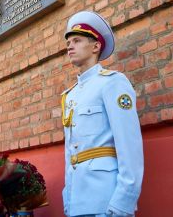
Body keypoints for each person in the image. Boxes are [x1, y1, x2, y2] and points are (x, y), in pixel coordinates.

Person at [61, 11, 144, 217]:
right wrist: (67, 196)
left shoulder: (112, 82)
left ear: (96, 46)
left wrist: (123, 201)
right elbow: (70, 151)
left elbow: (129, 144)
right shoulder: (69, 95)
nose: (69, 46)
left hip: (106, 200)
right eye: (68, 42)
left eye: (77, 41)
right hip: (77, 200)